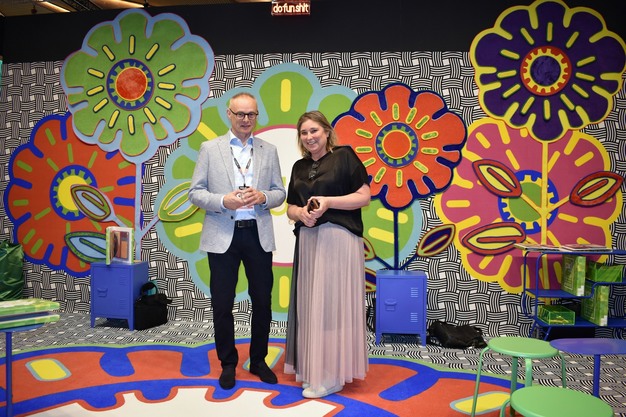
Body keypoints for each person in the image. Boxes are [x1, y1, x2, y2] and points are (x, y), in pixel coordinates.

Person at [188, 92, 286, 390]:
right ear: (228, 114)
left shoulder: (268, 150)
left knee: (263, 302)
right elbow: (195, 193)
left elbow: (279, 193)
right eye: (240, 114)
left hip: (258, 234)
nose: (246, 119)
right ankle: (228, 364)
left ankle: (258, 360)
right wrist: (223, 201)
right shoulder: (210, 148)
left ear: (257, 116)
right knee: (222, 303)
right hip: (222, 235)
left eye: (251, 114)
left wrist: (264, 196)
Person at [284, 110, 370, 398]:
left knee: (332, 305)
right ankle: (316, 369)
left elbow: (364, 196)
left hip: (339, 239)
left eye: (314, 131)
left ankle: (333, 374)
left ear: (327, 131)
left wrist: (328, 202)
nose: (309, 137)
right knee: (312, 306)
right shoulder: (299, 167)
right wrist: (300, 214)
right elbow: (290, 207)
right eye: (304, 132)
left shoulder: (344, 156)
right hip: (308, 241)